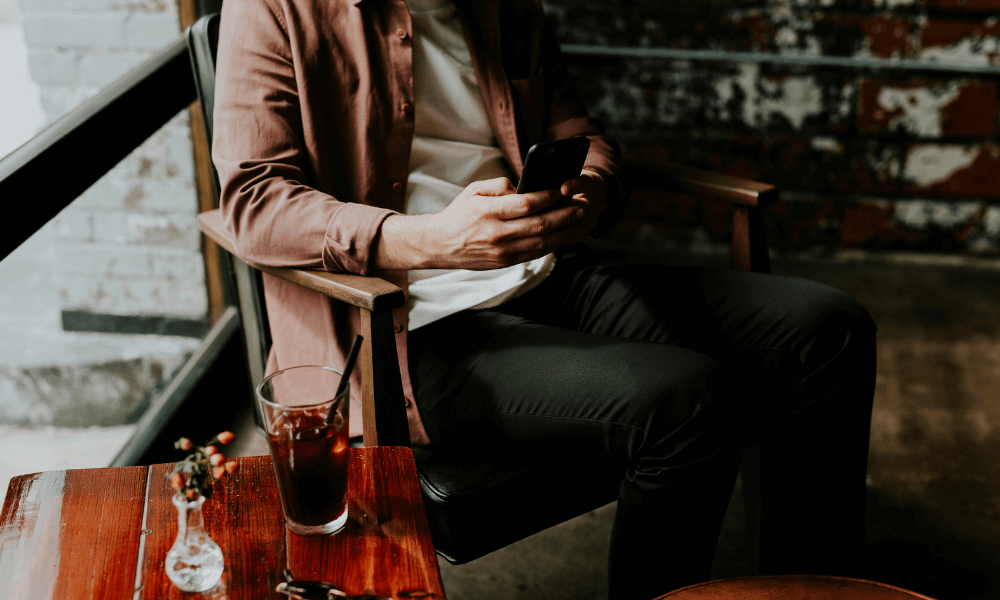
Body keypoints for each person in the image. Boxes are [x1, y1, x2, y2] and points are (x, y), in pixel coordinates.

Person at [212, 0, 877, 597]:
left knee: (829, 327)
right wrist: (430, 240)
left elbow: (578, 134)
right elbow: (252, 203)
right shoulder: (273, 8)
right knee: (684, 401)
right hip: (409, 330)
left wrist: (589, 192)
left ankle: (812, 586)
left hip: (545, 273)